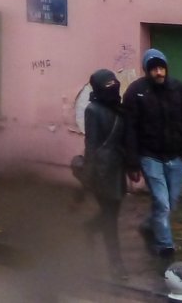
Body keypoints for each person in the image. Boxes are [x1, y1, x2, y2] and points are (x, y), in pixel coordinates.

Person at [122, 48, 182, 260]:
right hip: (150, 156)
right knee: (162, 202)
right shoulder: (136, 93)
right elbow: (130, 129)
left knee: (170, 203)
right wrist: (133, 162)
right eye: (154, 69)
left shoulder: (178, 89)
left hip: (175, 157)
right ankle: (165, 246)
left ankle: (148, 225)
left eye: (161, 68)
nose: (159, 72)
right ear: (147, 70)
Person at [83, 68, 128, 276]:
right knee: (110, 219)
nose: (113, 87)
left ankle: (88, 229)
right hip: (102, 173)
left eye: (114, 83)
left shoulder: (118, 107)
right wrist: (89, 176)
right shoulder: (93, 110)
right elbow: (91, 145)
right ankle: (116, 264)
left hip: (118, 170)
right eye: (107, 85)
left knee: (112, 214)